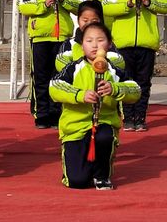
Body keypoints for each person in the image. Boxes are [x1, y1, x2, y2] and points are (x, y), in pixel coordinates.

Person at [49, 22, 140, 190]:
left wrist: (115, 89)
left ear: (109, 44)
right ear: (82, 45)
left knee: (105, 136)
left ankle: (102, 174)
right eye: (89, 40)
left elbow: (135, 89)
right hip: (76, 127)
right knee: (77, 181)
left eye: (100, 40)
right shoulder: (73, 68)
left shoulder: (113, 70)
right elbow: (54, 87)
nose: (95, 45)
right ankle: (79, 167)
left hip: (104, 123)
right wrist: (79, 95)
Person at [103, 0, 167, 132]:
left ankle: (140, 117)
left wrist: (148, 3)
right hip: (124, 45)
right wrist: (127, 5)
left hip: (146, 44)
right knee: (126, 81)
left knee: (143, 82)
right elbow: (105, 7)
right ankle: (127, 117)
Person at [18, 0, 82, 129]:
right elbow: (22, 5)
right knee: (40, 76)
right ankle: (41, 114)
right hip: (40, 37)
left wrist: (64, 1)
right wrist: (43, 5)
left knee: (59, 76)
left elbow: (79, 6)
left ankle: (56, 113)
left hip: (62, 37)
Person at [55, 0, 125, 72]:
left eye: (94, 21)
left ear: (101, 21)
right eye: (85, 20)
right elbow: (61, 61)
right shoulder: (70, 43)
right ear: (78, 21)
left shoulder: (106, 42)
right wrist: (82, 71)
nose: (89, 24)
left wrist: (100, 66)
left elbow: (118, 61)